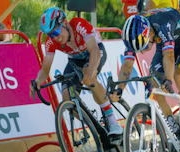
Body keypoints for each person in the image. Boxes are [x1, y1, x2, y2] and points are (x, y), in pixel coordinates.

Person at [111, 8, 180, 150]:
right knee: (155, 84)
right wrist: (119, 89)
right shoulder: (134, 33)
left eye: (145, 46)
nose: (142, 51)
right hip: (165, 45)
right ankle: (174, 127)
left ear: (150, 33)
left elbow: (169, 55)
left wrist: (168, 80)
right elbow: (127, 66)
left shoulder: (164, 23)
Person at [29, 7, 123, 142]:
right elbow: (45, 69)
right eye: (50, 35)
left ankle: (114, 123)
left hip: (95, 53)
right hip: (75, 60)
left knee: (88, 75)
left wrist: (90, 73)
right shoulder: (52, 42)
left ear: (65, 23)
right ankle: (96, 127)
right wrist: (38, 81)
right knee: (67, 99)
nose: (55, 37)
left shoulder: (79, 25)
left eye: (56, 31)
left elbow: (95, 51)